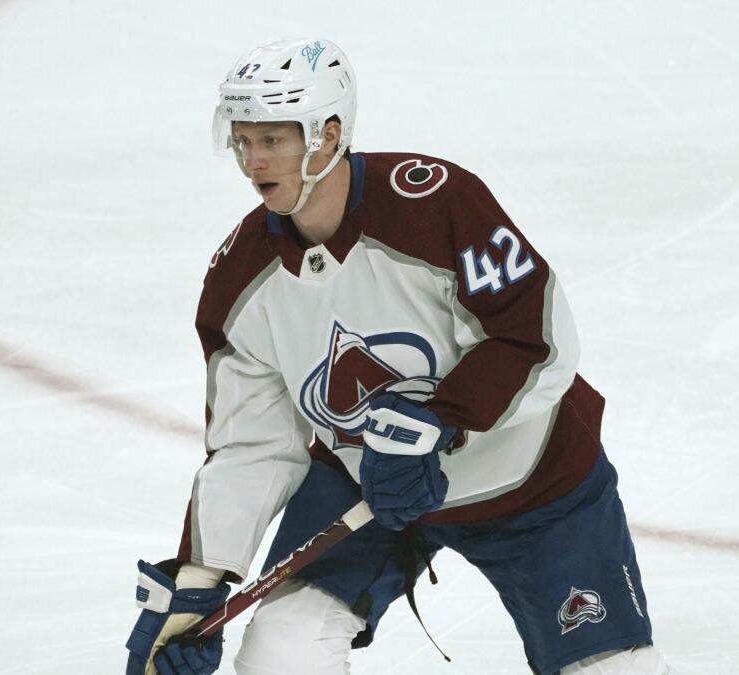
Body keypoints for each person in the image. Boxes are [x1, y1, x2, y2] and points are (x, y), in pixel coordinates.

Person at [125, 38, 670, 675]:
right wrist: (201, 576)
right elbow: (251, 443)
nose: (252, 161)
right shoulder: (239, 278)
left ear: (327, 134)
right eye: (243, 141)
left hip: (529, 483)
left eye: (272, 140)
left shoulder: (435, 204)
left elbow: (531, 337)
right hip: (370, 491)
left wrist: (440, 421)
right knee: (282, 653)